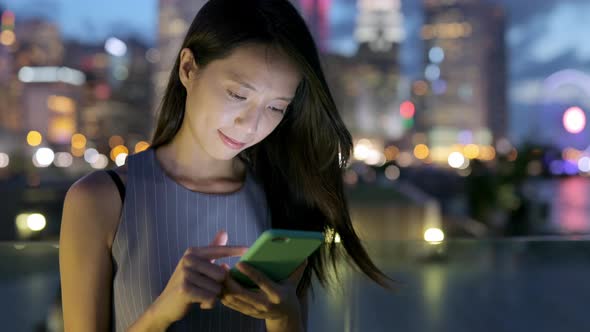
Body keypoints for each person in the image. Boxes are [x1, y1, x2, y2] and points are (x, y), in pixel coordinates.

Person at [59, 0, 393, 331]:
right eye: (237, 95)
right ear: (188, 68)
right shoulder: (99, 200)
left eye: (276, 108)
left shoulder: (284, 199)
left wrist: (284, 318)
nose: (251, 125)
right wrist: (159, 316)